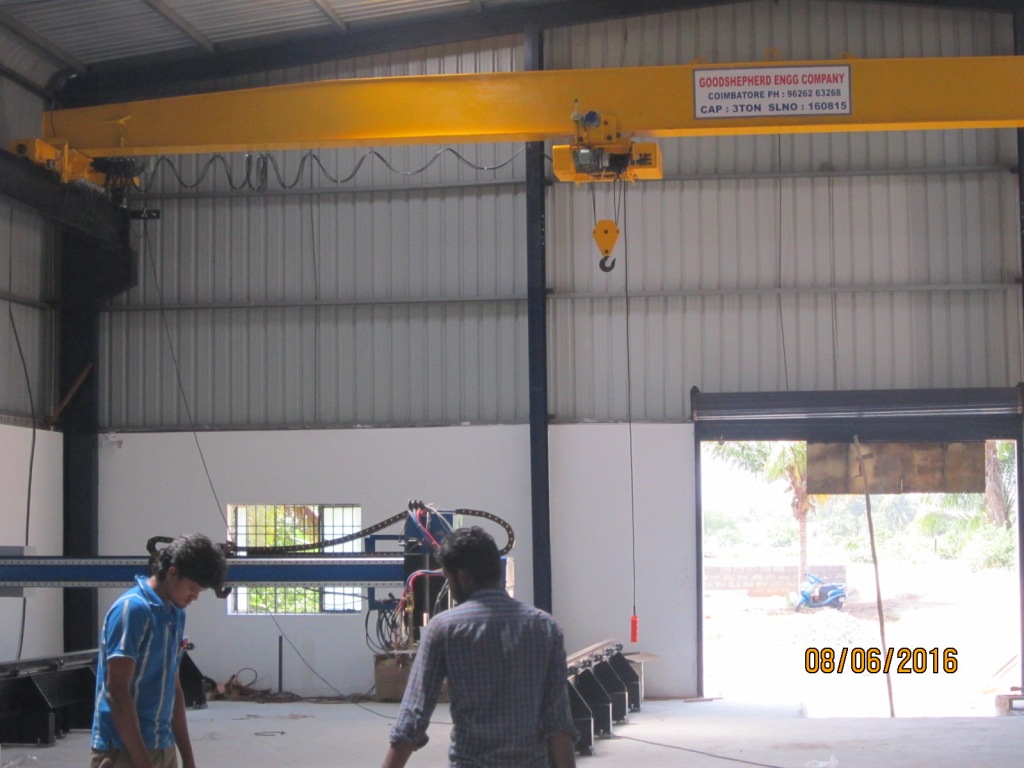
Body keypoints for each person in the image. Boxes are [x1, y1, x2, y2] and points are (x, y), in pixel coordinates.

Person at [382, 526, 578, 768]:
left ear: (462, 576)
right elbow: (558, 721)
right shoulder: (545, 628)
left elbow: (413, 717)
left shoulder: (444, 628)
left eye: (448, 579)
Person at [90, 533, 228, 768]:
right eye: (192, 588)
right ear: (172, 573)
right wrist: (143, 763)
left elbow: (172, 686)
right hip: (123, 750)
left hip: (162, 745)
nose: (195, 597)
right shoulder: (133, 610)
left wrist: (188, 758)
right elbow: (117, 692)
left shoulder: (175, 613)